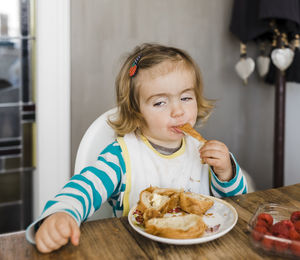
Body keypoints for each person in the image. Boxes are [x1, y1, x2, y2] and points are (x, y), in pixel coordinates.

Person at [26, 43, 248, 253]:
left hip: (200, 250)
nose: (178, 111)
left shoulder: (200, 150)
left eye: (186, 97)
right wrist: (62, 213)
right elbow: (85, 188)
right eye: (160, 102)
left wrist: (226, 172)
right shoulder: (122, 156)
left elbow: (235, 205)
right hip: (134, 250)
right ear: (136, 114)